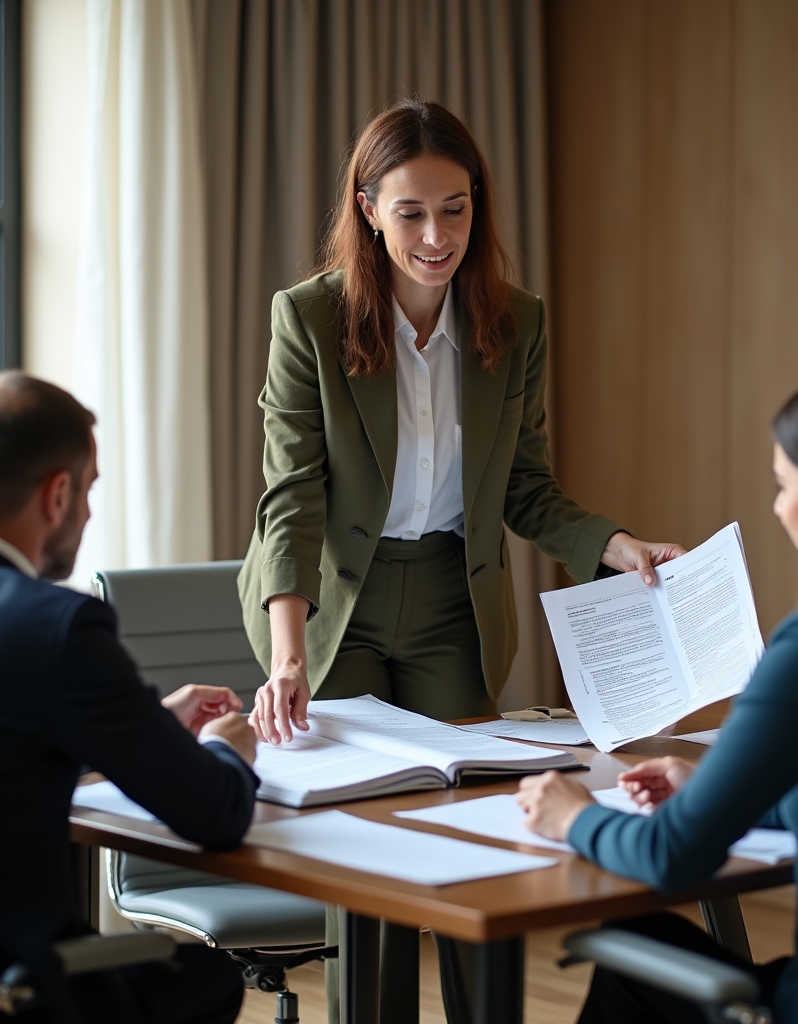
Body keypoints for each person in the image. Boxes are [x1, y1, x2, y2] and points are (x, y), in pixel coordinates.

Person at [235, 96, 684, 1022]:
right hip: (332, 603)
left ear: (477, 204)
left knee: (482, 842)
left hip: (451, 598)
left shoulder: (512, 321)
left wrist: (615, 545)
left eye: (456, 207)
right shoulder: (309, 320)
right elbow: (292, 499)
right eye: (411, 212)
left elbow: (525, 487)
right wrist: (288, 653)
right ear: (367, 207)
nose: (437, 235)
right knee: (361, 850)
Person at [517, 364, 798, 1024]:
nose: (777, 507)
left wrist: (571, 815)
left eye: (784, 484)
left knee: (633, 949)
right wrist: (711, 787)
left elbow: (672, 857)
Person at [0, 372, 260, 1024]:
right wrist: (230, 749)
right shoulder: (55, 627)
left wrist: (144, 726)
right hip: (19, 990)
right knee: (208, 978)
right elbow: (215, 814)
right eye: (89, 491)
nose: (89, 513)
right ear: (57, 494)